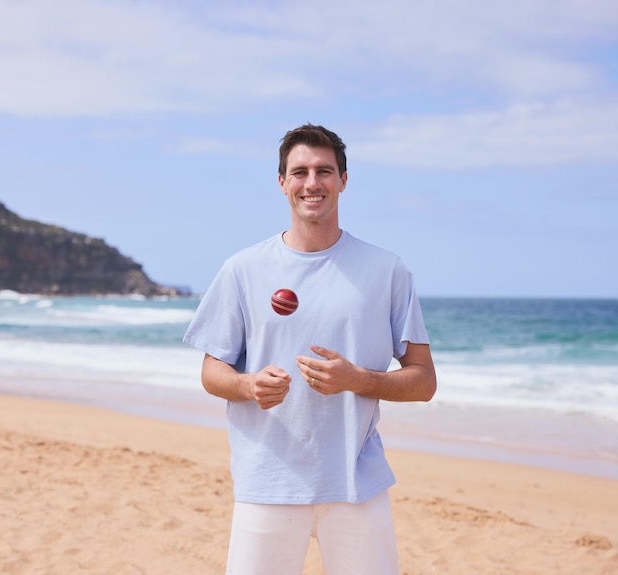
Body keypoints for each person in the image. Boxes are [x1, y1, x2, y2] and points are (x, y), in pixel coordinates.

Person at [182, 124, 437, 575]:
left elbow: (424, 380)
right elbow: (210, 370)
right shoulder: (243, 270)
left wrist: (358, 380)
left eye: (324, 171)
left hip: (357, 485)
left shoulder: (386, 270)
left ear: (343, 179)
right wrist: (247, 384)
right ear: (282, 182)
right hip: (267, 480)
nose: (312, 183)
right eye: (300, 172)